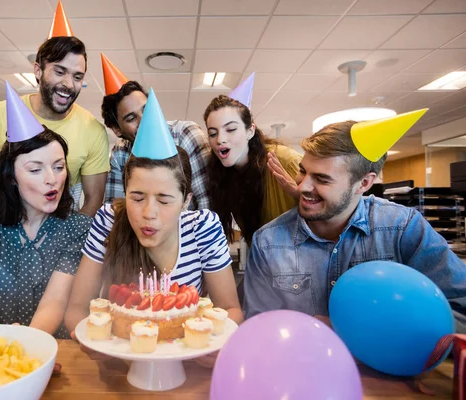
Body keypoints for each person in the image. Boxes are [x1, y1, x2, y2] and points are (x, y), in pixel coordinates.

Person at [243, 113, 466, 333]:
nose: (301, 187)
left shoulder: (402, 229)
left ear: (364, 183)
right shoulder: (268, 242)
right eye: (303, 171)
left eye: (322, 179)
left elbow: (460, 308)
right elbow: (258, 328)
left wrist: (366, 330)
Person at [0, 36, 109, 300]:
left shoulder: (92, 131)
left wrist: (66, 251)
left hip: (57, 252)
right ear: (38, 70)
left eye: (77, 76)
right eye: (59, 71)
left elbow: (94, 200)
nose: (68, 84)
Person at [64, 90, 243, 338]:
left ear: (185, 202)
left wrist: (205, 342)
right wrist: (93, 340)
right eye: (137, 198)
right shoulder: (108, 221)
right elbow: (76, 309)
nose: (149, 213)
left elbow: (231, 310)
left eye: (164, 200)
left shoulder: (203, 227)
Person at [0, 84, 91, 339]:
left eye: (58, 167)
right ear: (12, 178)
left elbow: (55, 302)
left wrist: (28, 346)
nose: (52, 179)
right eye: (35, 169)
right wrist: (3, 343)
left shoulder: (77, 227)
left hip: (53, 350)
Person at [100, 54, 211, 210]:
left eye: (146, 109)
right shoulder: (120, 154)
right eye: (131, 118)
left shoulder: (187, 134)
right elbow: (116, 211)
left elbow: (208, 204)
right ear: (117, 129)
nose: (144, 121)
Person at [203, 92, 302, 246]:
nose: (220, 139)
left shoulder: (286, 161)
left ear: (250, 131)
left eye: (230, 130)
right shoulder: (223, 177)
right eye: (213, 133)